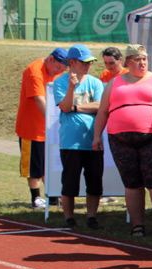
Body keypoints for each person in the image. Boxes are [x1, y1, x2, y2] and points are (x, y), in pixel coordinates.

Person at [93, 44, 152, 239]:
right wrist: (97, 136)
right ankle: (138, 225)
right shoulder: (115, 83)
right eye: (138, 59)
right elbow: (103, 111)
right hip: (120, 139)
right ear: (128, 62)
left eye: (144, 59)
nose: (142, 63)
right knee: (132, 184)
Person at [53, 44, 105, 229]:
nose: (88, 65)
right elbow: (65, 107)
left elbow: (99, 106)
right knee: (69, 182)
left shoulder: (96, 82)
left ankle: (92, 217)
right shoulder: (60, 82)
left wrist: (76, 107)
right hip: (70, 142)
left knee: (95, 182)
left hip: (92, 140)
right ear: (72, 62)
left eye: (90, 62)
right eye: (84, 62)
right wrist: (71, 88)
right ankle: (69, 218)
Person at [16, 47, 68, 209]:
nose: (58, 72)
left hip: (52, 129)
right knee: (34, 165)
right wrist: (53, 122)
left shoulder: (58, 74)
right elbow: (40, 100)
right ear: (50, 59)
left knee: (51, 164)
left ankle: (53, 195)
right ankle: (36, 197)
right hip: (32, 128)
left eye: (62, 70)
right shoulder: (34, 71)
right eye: (58, 68)